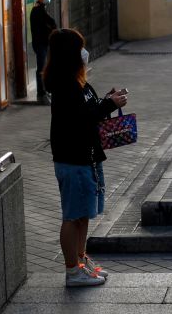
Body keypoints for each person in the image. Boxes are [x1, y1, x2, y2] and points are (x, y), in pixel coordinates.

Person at [43, 28, 128, 287]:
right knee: (72, 215)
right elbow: (80, 118)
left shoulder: (77, 80)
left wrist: (107, 100)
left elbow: (87, 110)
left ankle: (80, 262)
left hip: (86, 156)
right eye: (80, 47)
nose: (85, 52)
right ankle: (72, 271)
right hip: (73, 158)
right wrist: (110, 105)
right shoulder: (64, 84)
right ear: (70, 53)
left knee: (82, 215)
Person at [30, 0, 57, 105]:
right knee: (41, 68)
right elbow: (49, 24)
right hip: (40, 44)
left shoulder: (42, 9)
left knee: (45, 67)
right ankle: (41, 93)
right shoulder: (38, 10)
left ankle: (45, 91)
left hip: (45, 43)